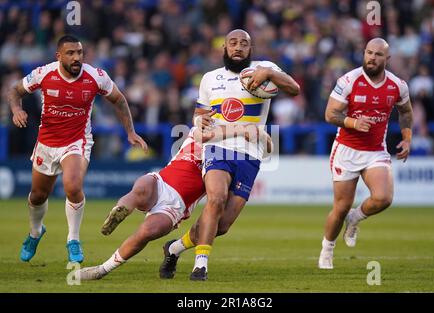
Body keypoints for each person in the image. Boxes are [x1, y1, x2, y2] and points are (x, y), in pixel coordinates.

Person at [166, 29, 300, 281]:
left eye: (244, 44)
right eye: (233, 43)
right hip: (218, 146)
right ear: (224, 48)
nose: (238, 47)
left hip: (251, 153)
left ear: (251, 48)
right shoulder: (209, 78)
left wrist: (270, 74)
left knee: (223, 224)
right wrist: (200, 122)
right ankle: (200, 266)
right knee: (215, 199)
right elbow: (199, 116)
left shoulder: (265, 68)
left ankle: (174, 248)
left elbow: (294, 89)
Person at [7, 35, 147, 263]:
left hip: (77, 141)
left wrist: (130, 132)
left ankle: (73, 239)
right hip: (47, 142)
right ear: (59, 56)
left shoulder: (95, 76)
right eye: (71, 53)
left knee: (72, 186)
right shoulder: (45, 73)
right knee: (37, 195)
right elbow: (14, 91)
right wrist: (16, 110)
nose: (76, 58)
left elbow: (119, 100)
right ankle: (35, 232)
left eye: (80, 53)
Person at [75, 125, 273, 280]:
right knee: (140, 190)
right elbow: (200, 131)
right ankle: (119, 211)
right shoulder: (201, 130)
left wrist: (259, 135)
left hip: (175, 206)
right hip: (161, 181)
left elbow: (265, 150)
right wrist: (244, 130)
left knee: (148, 232)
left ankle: (103, 269)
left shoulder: (230, 154)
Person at [318, 38, 413, 269]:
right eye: (369, 53)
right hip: (346, 150)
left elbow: (406, 112)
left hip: (375, 150)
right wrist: (352, 121)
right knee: (340, 208)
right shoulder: (349, 80)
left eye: (378, 54)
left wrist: (407, 138)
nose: (372, 57)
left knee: (383, 198)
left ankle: (356, 217)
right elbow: (330, 114)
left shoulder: (397, 85)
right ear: (364, 53)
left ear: (387, 59)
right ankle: (327, 249)